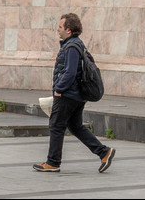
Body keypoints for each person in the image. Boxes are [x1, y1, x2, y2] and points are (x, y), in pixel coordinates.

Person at [32, 13, 116, 175]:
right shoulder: (77, 44)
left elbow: (69, 72)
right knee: (75, 126)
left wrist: (59, 89)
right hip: (77, 95)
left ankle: (53, 162)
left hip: (68, 95)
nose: (57, 29)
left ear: (68, 30)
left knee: (56, 125)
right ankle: (103, 152)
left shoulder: (71, 47)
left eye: (60, 27)